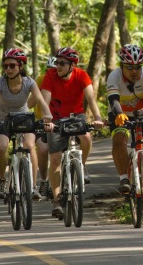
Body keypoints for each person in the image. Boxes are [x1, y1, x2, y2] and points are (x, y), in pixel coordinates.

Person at [40, 47, 104, 217]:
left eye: (62, 63)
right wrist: (47, 119)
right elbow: (44, 100)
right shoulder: (50, 76)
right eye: (57, 62)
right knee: (55, 159)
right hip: (55, 119)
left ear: (72, 65)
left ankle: (81, 165)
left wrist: (97, 117)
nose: (57, 66)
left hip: (76, 116)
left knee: (86, 137)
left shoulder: (81, 75)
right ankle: (56, 199)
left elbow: (91, 99)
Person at [0, 48, 53, 201]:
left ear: (21, 66)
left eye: (12, 66)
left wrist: (48, 115)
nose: (8, 69)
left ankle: (33, 187)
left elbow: (41, 100)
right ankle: (2, 180)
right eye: (5, 66)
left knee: (29, 145)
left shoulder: (29, 82)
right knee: (1, 146)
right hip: (3, 119)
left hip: (24, 118)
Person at [106, 44, 143, 199]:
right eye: (129, 67)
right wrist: (119, 114)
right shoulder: (114, 76)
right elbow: (113, 100)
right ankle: (124, 178)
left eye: (138, 67)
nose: (134, 71)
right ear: (122, 66)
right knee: (119, 140)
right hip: (120, 113)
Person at [32, 56, 57, 200]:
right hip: (42, 120)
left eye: (54, 71)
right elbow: (30, 102)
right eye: (49, 71)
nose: (51, 74)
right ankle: (44, 180)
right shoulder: (41, 80)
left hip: (60, 120)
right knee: (42, 149)